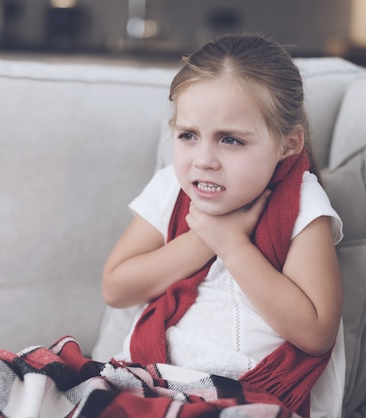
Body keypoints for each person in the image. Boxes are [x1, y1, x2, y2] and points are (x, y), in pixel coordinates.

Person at [102, 33, 345, 418]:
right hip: (152, 376)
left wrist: (234, 246)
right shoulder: (170, 186)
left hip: (251, 391)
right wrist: (206, 239)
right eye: (188, 136)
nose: (204, 160)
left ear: (289, 145)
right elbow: (116, 288)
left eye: (231, 140)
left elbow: (316, 333)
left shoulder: (302, 203)